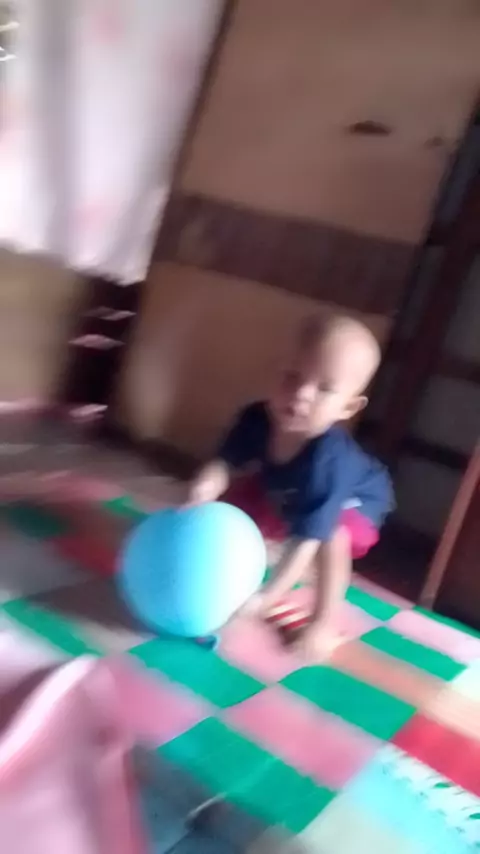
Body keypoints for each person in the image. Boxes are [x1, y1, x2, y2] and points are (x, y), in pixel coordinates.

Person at [184, 313, 394, 660]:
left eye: (324, 388)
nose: (301, 394)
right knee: (235, 501)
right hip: (287, 487)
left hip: (359, 499)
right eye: (292, 376)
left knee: (331, 535)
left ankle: (323, 622)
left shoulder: (330, 461)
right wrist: (204, 487)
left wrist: (267, 597)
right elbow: (225, 462)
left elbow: (307, 539)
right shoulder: (257, 418)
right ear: (276, 371)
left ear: (348, 407)